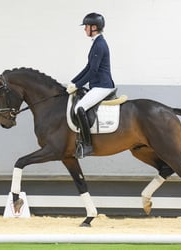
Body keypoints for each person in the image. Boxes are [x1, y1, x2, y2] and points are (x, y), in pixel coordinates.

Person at [66, 12, 115, 159]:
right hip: (97, 85)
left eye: (86, 26)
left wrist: (78, 85)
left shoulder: (99, 44)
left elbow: (93, 71)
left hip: (102, 86)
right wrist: (74, 82)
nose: (84, 29)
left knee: (80, 108)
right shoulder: (96, 42)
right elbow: (88, 67)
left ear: (94, 27)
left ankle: (87, 145)